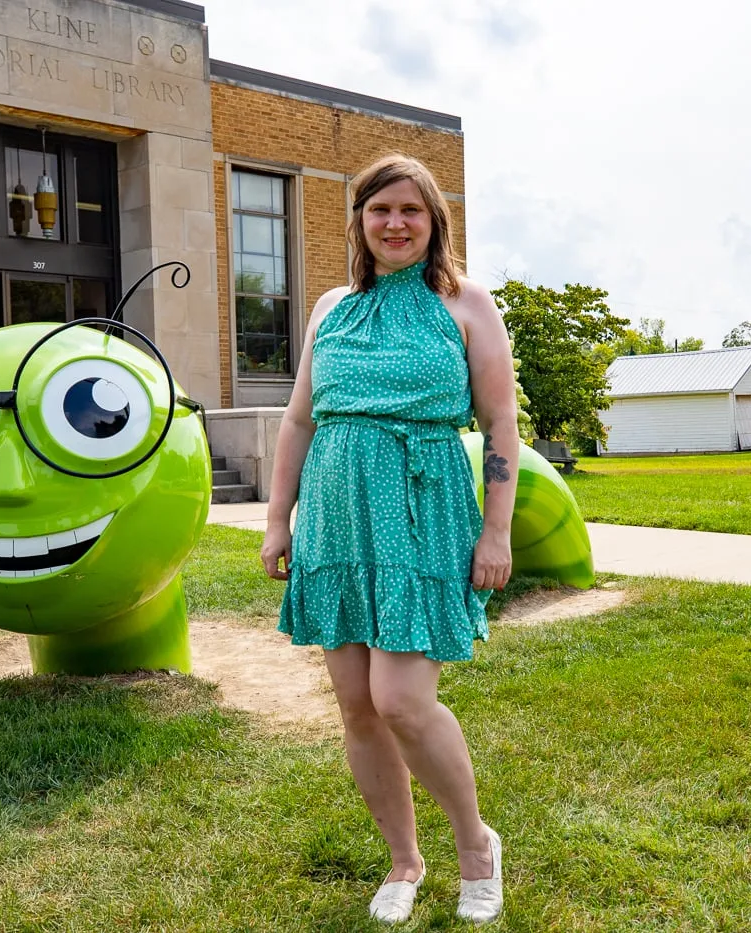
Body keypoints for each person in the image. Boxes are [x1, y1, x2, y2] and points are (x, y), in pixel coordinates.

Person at [260, 153, 519, 925]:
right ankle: (404, 860)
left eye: (411, 210)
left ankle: (477, 846)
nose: (396, 223)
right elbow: (300, 417)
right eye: (380, 211)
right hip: (337, 516)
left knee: (401, 699)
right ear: (359, 222)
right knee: (356, 706)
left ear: (434, 219)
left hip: (421, 511)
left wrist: (496, 529)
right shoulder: (331, 309)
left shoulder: (467, 304)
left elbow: (500, 422)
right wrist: (280, 517)